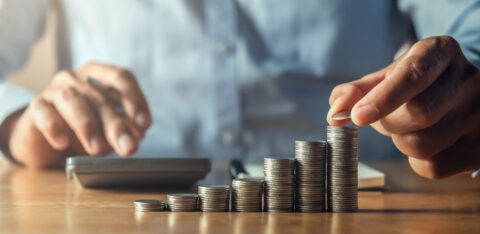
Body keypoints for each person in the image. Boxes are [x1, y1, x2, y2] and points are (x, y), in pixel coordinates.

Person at [0, 0, 479, 179]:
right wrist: (20, 123)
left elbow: (469, 24)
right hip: (122, 211)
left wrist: (462, 87)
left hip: (364, 206)